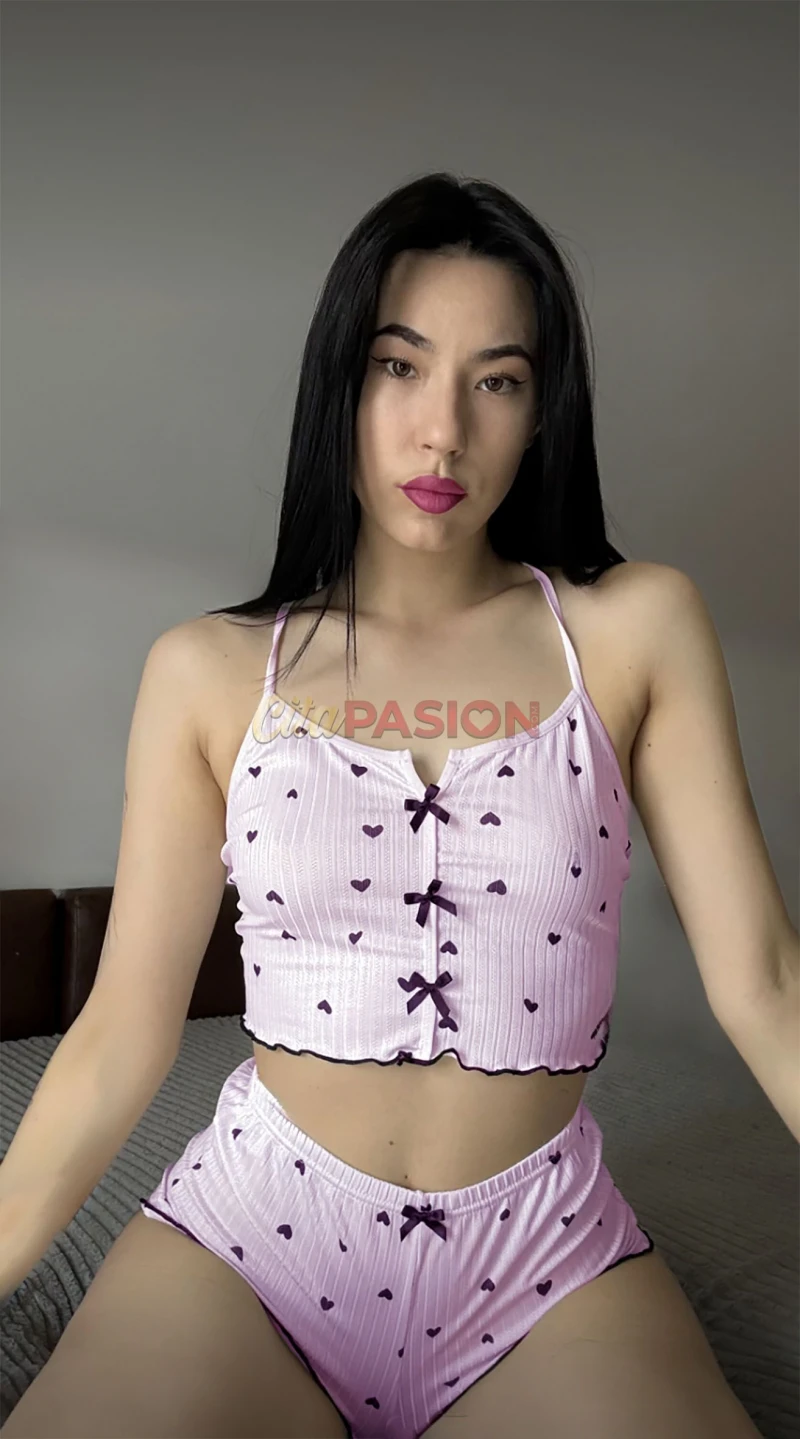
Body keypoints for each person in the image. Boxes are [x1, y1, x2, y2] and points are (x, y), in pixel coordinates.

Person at [2, 171, 787, 1439]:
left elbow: (766, 984)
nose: (442, 433)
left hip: (542, 1263)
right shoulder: (207, 671)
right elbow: (119, 1032)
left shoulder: (634, 628)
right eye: (398, 366)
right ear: (341, 384)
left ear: (542, 409)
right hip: (252, 1247)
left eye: (497, 380)